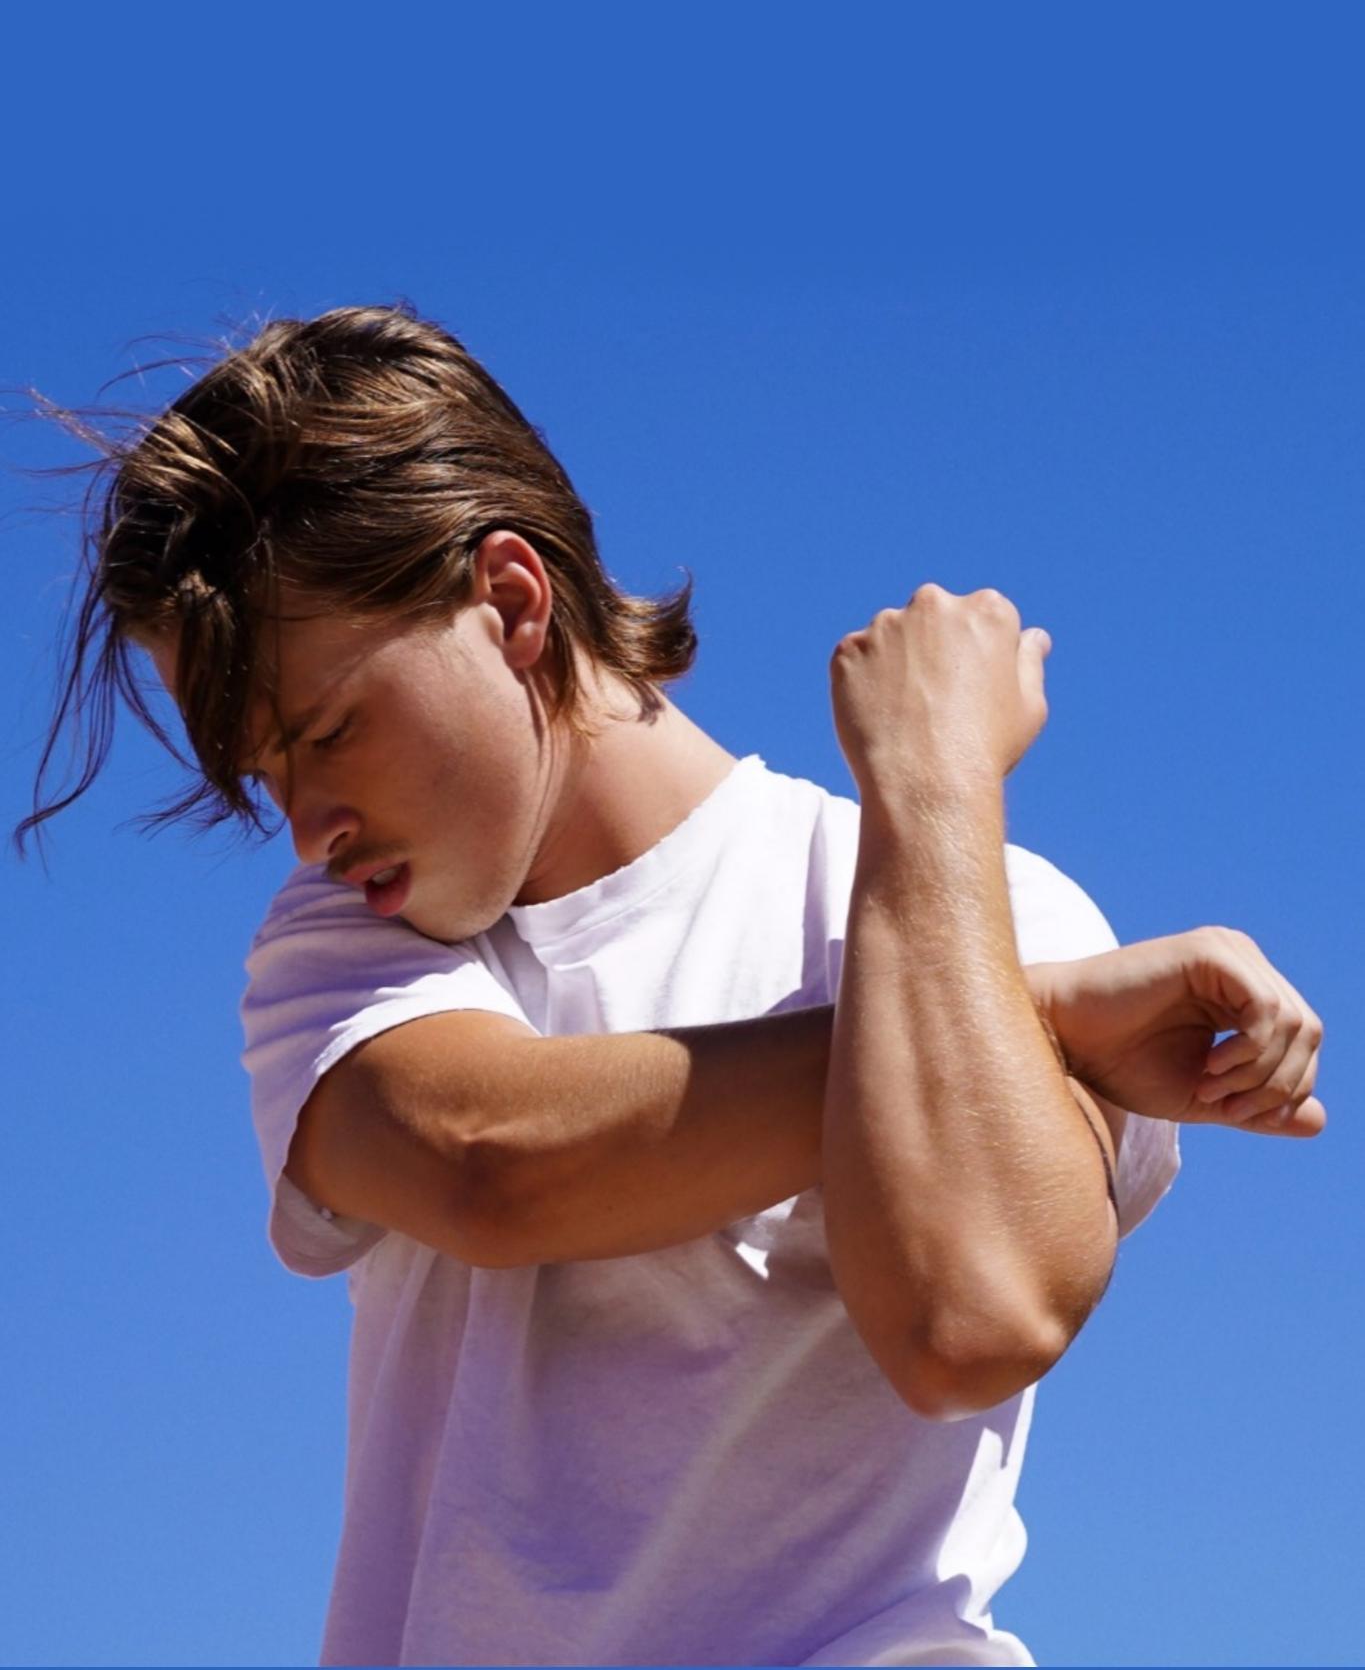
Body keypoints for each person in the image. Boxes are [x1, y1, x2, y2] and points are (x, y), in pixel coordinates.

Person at [19, 302, 1325, 1669]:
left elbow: (972, 1317)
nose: (308, 830)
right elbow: (487, 1169)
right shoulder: (344, 944)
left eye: (330, 731)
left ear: (512, 602)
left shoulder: (990, 907)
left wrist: (934, 772)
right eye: (265, 777)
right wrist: (1030, 1022)